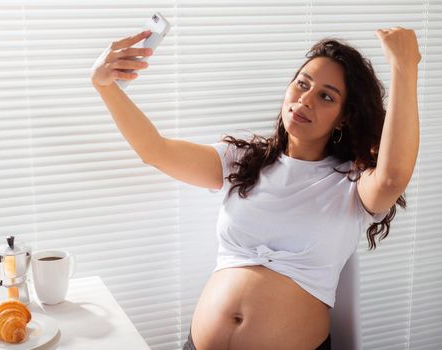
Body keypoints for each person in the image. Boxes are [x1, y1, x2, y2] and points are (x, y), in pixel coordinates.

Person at [91, 27, 421, 350]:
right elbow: (156, 152)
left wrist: (403, 68)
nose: (305, 100)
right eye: (302, 84)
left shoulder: (351, 182)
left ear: (344, 117)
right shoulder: (245, 158)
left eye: (325, 96)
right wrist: (105, 86)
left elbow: (393, 177)